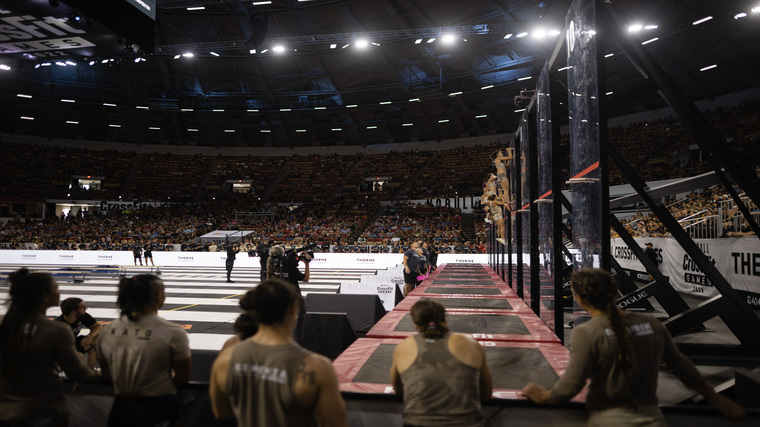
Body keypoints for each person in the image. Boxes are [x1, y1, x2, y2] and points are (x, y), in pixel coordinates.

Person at [522, 268, 746, 425]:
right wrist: (714, 397)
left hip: (608, 420)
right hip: (653, 418)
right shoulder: (650, 323)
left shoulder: (587, 332)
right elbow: (681, 366)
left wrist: (543, 396)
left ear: (580, 299)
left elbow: (570, 386)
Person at [208, 279, 348, 427]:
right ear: (293, 311)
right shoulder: (317, 367)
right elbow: (335, 422)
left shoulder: (227, 357)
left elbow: (220, 412)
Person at [0, 268, 98, 426]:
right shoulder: (56, 330)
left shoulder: (6, 324)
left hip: (6, 407)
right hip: (43, 407)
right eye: (56, 288)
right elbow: (78, 373)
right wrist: (106, 375)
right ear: (45, 296)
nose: (59, 292)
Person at [98, 274, 192, 427]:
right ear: (158, 297)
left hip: (120, 408)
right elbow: (183, 377)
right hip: (160, 407)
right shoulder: (172, 332)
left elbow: (107, 374)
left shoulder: (107, 330)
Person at [390, 298, 492, 427]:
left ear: (416, 325)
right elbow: (486, 394)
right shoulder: (471, 344)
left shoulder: (403, 347)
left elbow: (399, 390)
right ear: (444, 320)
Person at [267, 244, 311, 342]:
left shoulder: (272, 266)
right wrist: (307, 264)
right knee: (297, 326)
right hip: (294, 302)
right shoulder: (290, 268)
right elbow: (306, 278)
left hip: (279, 302)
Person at [55, 297, 102, 369]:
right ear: (74, 312)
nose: (86, 308)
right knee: (79, 356)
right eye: (83, 307)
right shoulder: (59, 325)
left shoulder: (82, 316)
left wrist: (90, 336)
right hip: (63, 348)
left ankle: (89, 369)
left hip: (75, 342)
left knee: (98, 337)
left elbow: (98, 326)